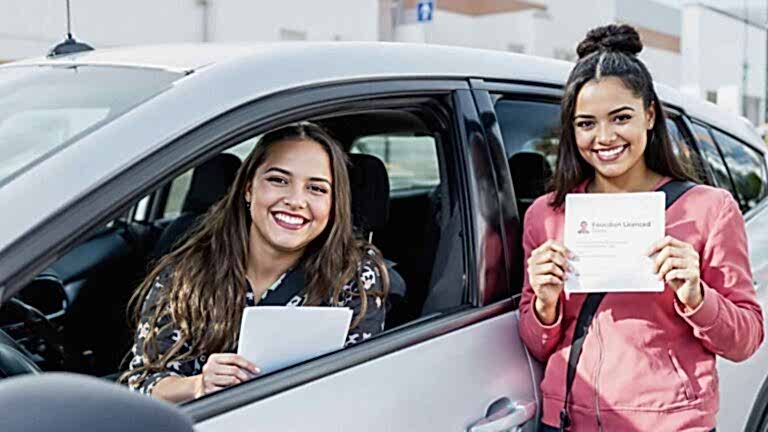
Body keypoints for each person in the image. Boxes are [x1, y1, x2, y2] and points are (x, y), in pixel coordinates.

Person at [518, 24, 764, 431]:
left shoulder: (708, 209)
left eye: (620, 118)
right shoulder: (547, 214)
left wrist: (696, 294)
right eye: (586, 124)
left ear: (649, 115)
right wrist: (545, 303)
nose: (604, 137)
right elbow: (537, 342)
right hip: (565, 421)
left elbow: (746, 339)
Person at [120, 123, 389, 402]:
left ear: (334, 204)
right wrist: (198, 385)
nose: (296, 200)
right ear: (249, 189)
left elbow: (357, 387)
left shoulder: (355, 274)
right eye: (278, 180)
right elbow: (143, 383)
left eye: (316, 189)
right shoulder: (185, 271)